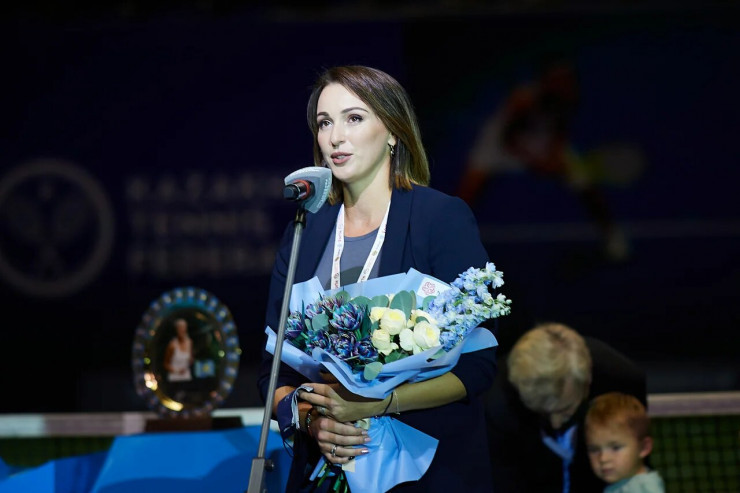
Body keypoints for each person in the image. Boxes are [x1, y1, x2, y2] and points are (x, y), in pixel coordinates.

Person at [257, 65, 496, 492]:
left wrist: (380, 403)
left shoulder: (440, 218)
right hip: (326, 472)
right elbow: (272, 375)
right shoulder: (304, 230)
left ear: (392, 132)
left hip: (429, 473)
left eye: (354, 118)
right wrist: (313, 423)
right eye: (324, 123)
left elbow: (478, 365)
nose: (335, 137)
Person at [485, 321, 647, 493]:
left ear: (586, 383)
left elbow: (631, 466)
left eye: (564, 409)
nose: (555, 424)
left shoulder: (621, 383)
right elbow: (506, 480)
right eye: (543, 412)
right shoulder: (495, 404)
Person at [585, 392, 665, 493]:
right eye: (594, 449)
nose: (603, 458)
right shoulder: (624, 485)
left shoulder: (643, 488)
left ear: (644, 447)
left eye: (615, 448)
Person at [164, 318, 193, 382]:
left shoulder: (189, 342)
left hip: (186, 378)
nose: (182, 330)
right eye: (180, 328)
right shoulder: (172, 345)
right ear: (176, 330)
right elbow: (166, 364)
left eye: (184, 328)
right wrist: (177, 371)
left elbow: (191, 360)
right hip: (174, 379)